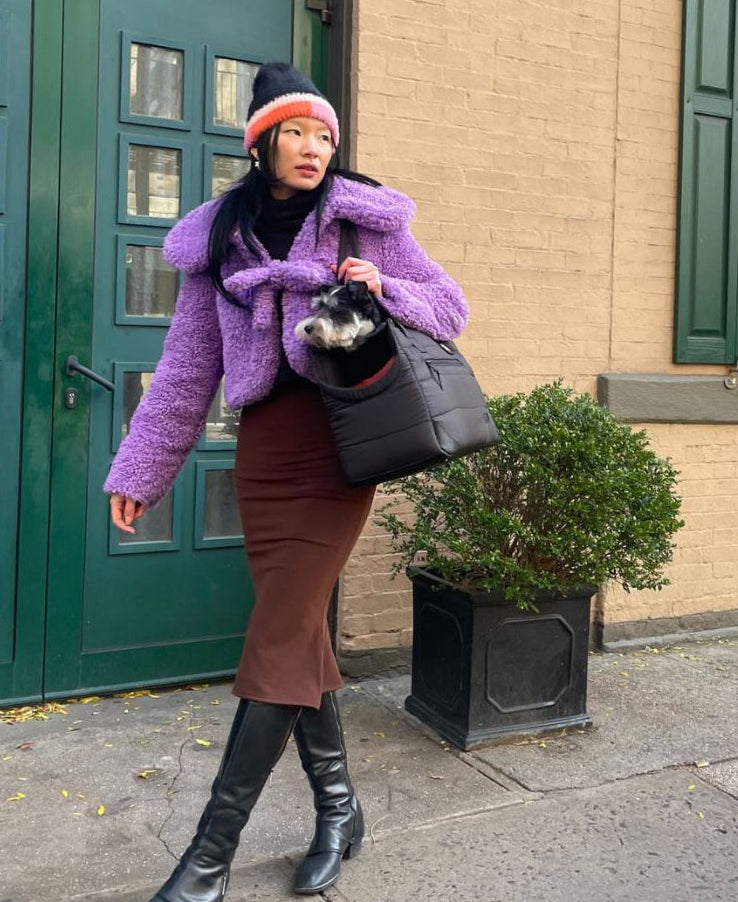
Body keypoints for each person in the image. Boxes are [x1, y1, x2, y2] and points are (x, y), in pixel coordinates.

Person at [105, 62, 469, 902]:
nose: (314, 149)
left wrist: (388, 287)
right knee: (295, 633)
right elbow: (188, 367)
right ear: (263, 141)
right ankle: (339, 812)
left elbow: (448, 307)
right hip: (265, 451)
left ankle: (207, 858)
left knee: (275, 638)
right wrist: (143, 470)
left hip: (344, 443)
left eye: (326, 136)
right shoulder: (221, 238)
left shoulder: (362, 219)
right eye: (297, 133)